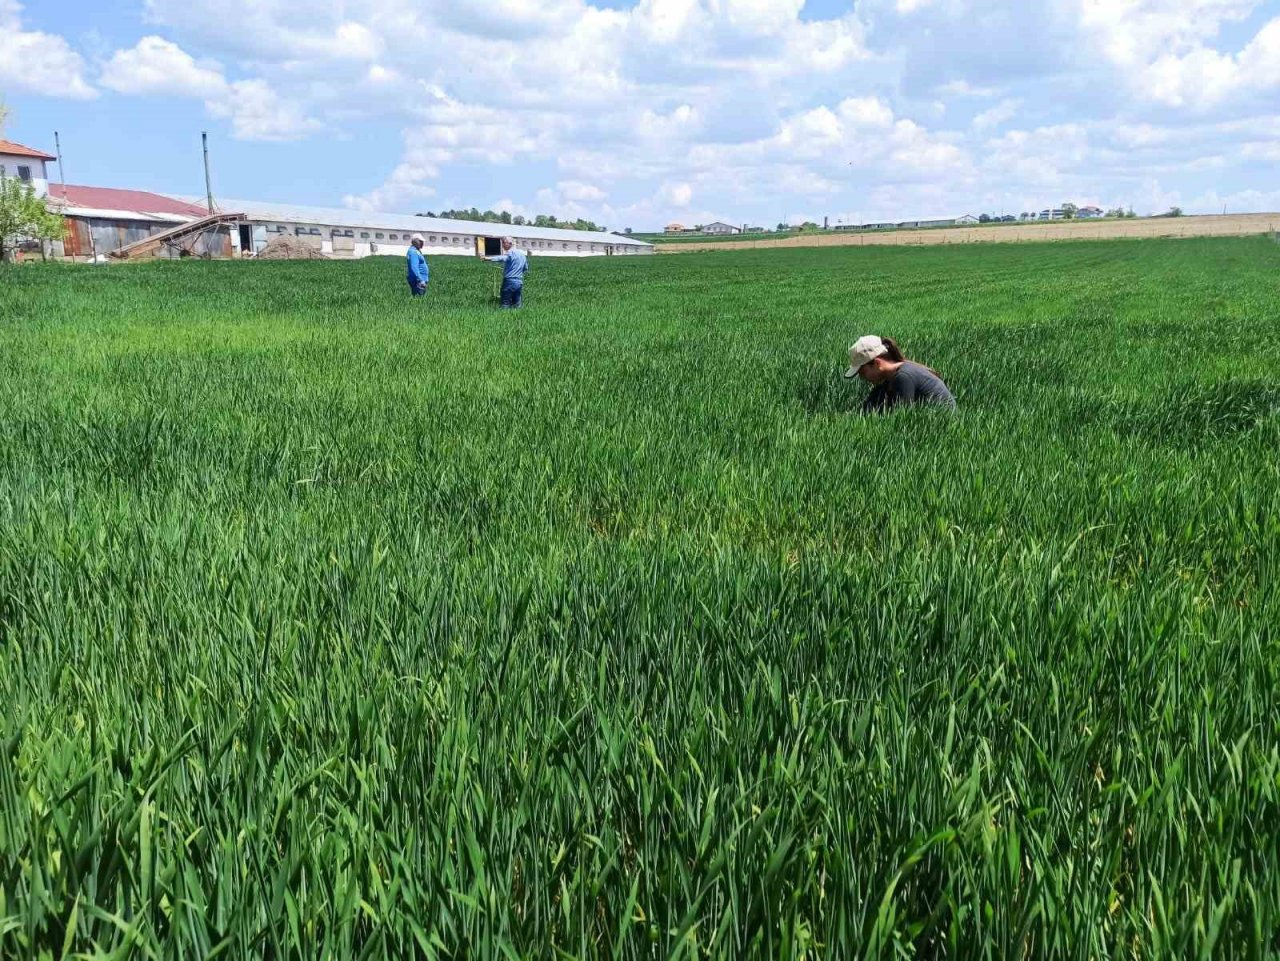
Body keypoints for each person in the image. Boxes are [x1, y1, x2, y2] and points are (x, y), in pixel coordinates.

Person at [844, 335, 956, 413]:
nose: (862, 377)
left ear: (877, 363)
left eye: (862, 372)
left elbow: (901, 420)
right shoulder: (891, 378)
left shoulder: (903, 377)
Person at [485, 237, 530, 308]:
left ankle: (504, 317)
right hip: (519, 282)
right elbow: (525, 268)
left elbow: (502, 258)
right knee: (517, 304)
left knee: (505, 303)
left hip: (509, 281)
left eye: (503, 243)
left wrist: (488, 258)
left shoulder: (510, 253)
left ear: (510, 243)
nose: (502, 245)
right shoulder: (522, 255)